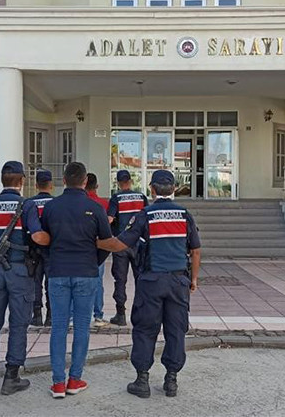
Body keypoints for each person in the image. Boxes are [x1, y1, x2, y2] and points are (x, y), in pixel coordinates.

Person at [98, 170, 201, 399]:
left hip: (151, 282)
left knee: (145, 329)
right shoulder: (185, 215)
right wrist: (193, 279)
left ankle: (142, 380)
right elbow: (195, 250)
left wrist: (94, 241)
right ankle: (171, 380)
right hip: (178, 282)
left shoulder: (145, 215)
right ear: (174, 189)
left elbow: (120, 244)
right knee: (176, 330)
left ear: (152, 189)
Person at [0, 161, 50, 395]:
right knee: (18, 325)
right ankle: (11, 377)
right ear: (22, 180)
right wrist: (52, 238)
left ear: (2, 179)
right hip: (19, 272)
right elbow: (37, 236)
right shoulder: (26, 205)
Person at [41, 162, 113, 398]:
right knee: (82, 326)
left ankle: (58, 383)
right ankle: (74, 379)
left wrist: (51, 262)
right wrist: (94, 261)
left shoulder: (51, 207)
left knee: (59, 327)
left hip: (58, 272)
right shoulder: (95, 208)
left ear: (63, 180)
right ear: (85, 181)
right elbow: (106, 242)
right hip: (86, 272)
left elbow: (43, 240)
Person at [107, 169, 149, 326]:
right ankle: (141, 314)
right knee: (141, 279)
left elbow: (109, 219)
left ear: (118, 183)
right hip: (138, 245)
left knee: (120, 280)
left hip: (121, 244)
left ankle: (121, 314)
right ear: (130, 181)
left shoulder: (116, 198)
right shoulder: (141, 197)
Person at [28, 169, 54, 327]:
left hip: (33, 249)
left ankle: (36, 315)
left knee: (35, 282)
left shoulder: (29, 203)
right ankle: (50, 316)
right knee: (51, 283)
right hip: (52, 249)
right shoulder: (56, 203)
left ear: (36, 185)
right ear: (51, 185)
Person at [84, 172, 109, 328]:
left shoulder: (80, 203)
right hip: (98, 248)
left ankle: (73, 316)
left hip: (81, 248)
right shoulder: (103, 204)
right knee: (97, 282)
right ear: (97, 186)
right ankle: (98, 316)